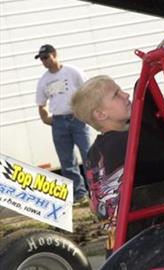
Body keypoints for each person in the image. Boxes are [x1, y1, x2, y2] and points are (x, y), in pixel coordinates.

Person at [71, 70, 164, 221]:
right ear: (100, 115)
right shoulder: (125, 143)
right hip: (155, 228)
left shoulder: (94, 153)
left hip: (123, 236)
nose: (125, 95)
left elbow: (94, 206)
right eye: (116, 95)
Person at [35, 44, 91, 204]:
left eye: (46, 57)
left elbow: (87, 90)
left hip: (77, 118)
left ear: (55, 54)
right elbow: (41, 104)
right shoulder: (43, 81)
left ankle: (96, 190)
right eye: (41, 59)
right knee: (67, 160)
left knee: (88, 155)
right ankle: (80, 195)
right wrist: (46, 119)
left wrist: (86, 111)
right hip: (58, 122)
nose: (44, 61)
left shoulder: (72, 72)